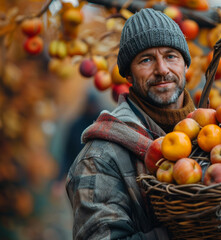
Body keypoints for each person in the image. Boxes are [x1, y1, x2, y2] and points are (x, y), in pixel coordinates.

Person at [65, 8, 195, 239]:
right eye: (146, 59)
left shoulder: (216, 136)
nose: (162, 69)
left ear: (185, 65)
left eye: (171, 56)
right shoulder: (99, 158)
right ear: (128, 76)